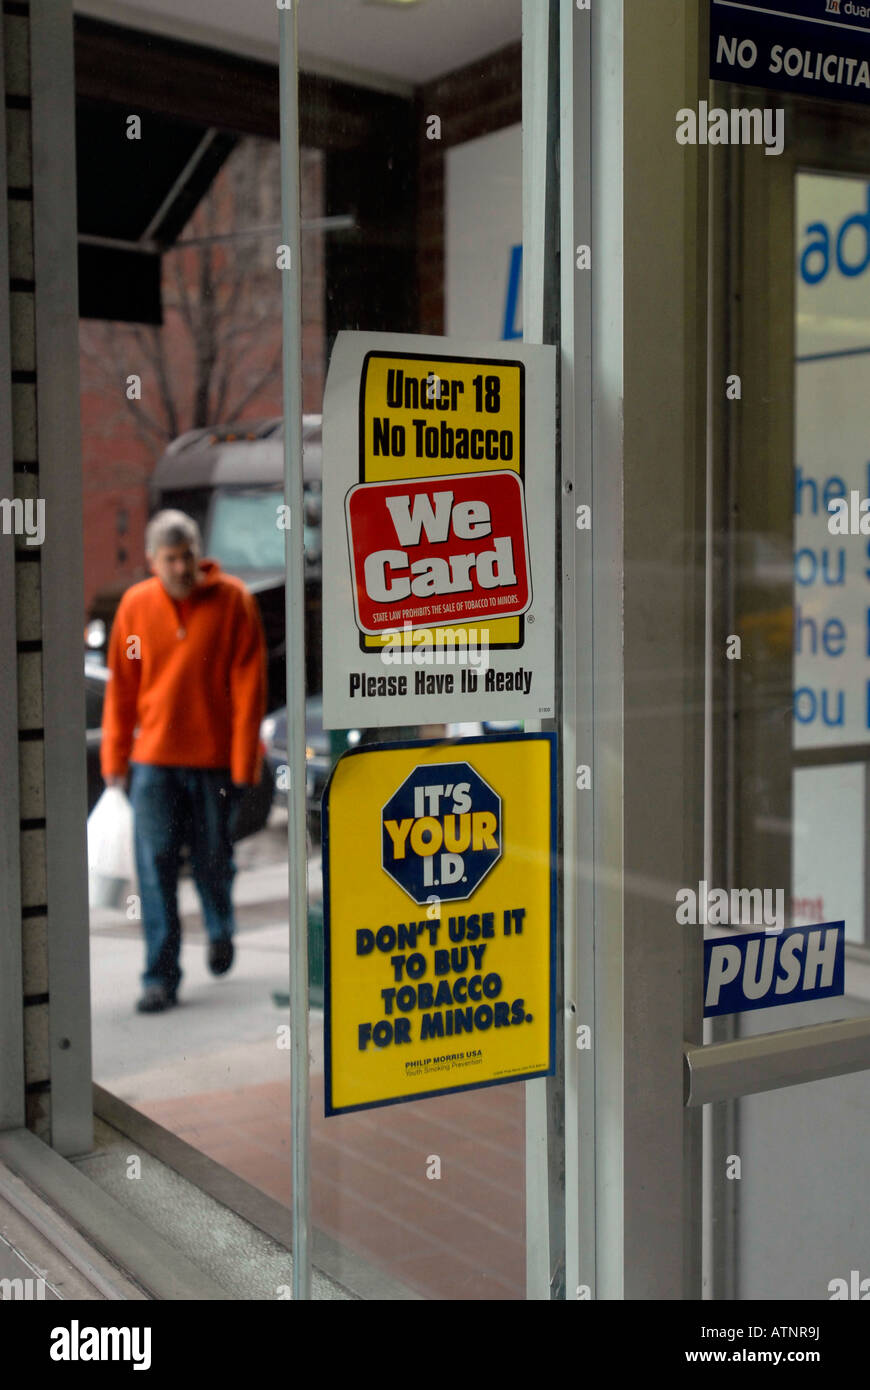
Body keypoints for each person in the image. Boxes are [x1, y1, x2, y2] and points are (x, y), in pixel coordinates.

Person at [100, 510, 267, 1013]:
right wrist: (115, 758)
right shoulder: (135, 607)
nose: (179, 566)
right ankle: (160, 976)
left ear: (199, 554)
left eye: (187, 555)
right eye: (169, 558)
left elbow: (249, 687)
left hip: (214, 762)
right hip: (153, 764)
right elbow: (122, 687)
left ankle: (220, 929)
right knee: (155, 870)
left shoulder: (233, 601)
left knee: (214, 858)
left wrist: (243, 767)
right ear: (152, 560)